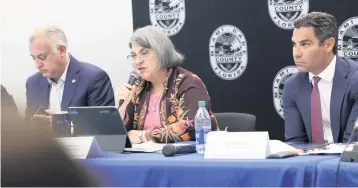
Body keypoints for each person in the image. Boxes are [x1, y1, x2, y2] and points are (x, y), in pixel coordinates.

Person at [116, 25, 218, 143]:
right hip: (144, 159)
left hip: (188, 158)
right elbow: (122, 136)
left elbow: (192, 126)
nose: (137, 61)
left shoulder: (187, 83)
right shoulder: (138, 87)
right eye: (134, 56)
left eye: (144, 53)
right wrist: (121, 110)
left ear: (161, 53)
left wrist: (145, 136)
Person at [284, 12, 358, 144]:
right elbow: (295, 142)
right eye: (294, 44)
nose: (296, 53)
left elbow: (352, 145)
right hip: (310, 163)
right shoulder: (292, 86)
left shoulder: (355, 79)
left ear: (329, 44)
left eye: (305, 44)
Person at [26, 26, 115, 125]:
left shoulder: (94, 78)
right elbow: (27, 127)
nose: (37, 65)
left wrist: (62, 123)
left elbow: (104, 125)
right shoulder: (33, 83)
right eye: (34, 58)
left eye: (42, 57)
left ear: (62, 50)